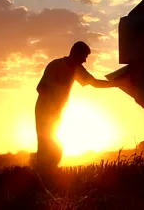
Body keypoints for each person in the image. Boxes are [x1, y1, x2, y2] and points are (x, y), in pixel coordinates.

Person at [33, 41, 118, 172]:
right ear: (76, 53)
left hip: (58, 112)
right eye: (84, 57)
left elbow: (94, 83)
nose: (84, 61)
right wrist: (54, 101)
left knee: (53, 145)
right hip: (44, 110)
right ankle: (42, 173)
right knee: (47, 144)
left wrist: (116, 84)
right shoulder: (56, 65)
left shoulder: (77, 69)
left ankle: (46, 172)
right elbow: (41, 88)